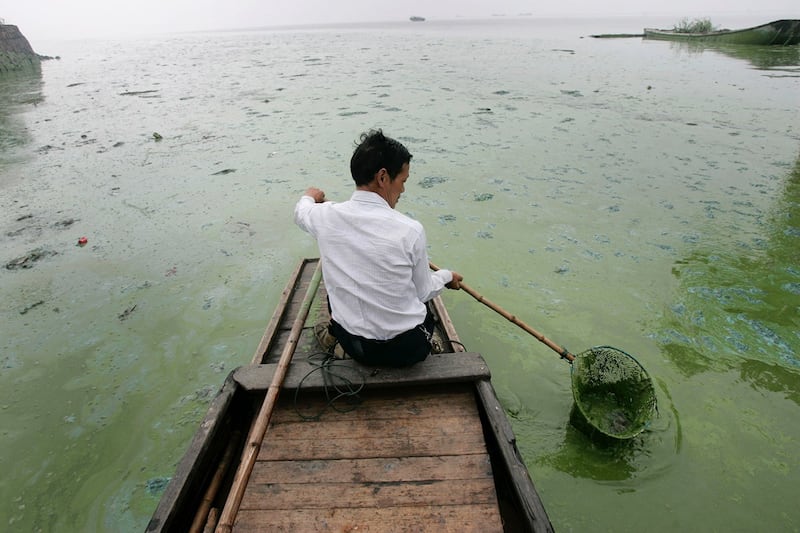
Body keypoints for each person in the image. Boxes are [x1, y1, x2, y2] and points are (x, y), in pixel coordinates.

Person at [294, 129, 463, 367]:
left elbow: (300, 211)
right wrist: (446, 276)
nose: (403, 190)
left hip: (353, 344)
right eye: (402, 181)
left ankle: (334, 337)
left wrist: (310, 195)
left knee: (335, 290)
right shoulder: (410, 230)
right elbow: (423, 293)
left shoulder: (324, 216)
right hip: (405, 352)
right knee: (422, 299)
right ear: (383, 178)